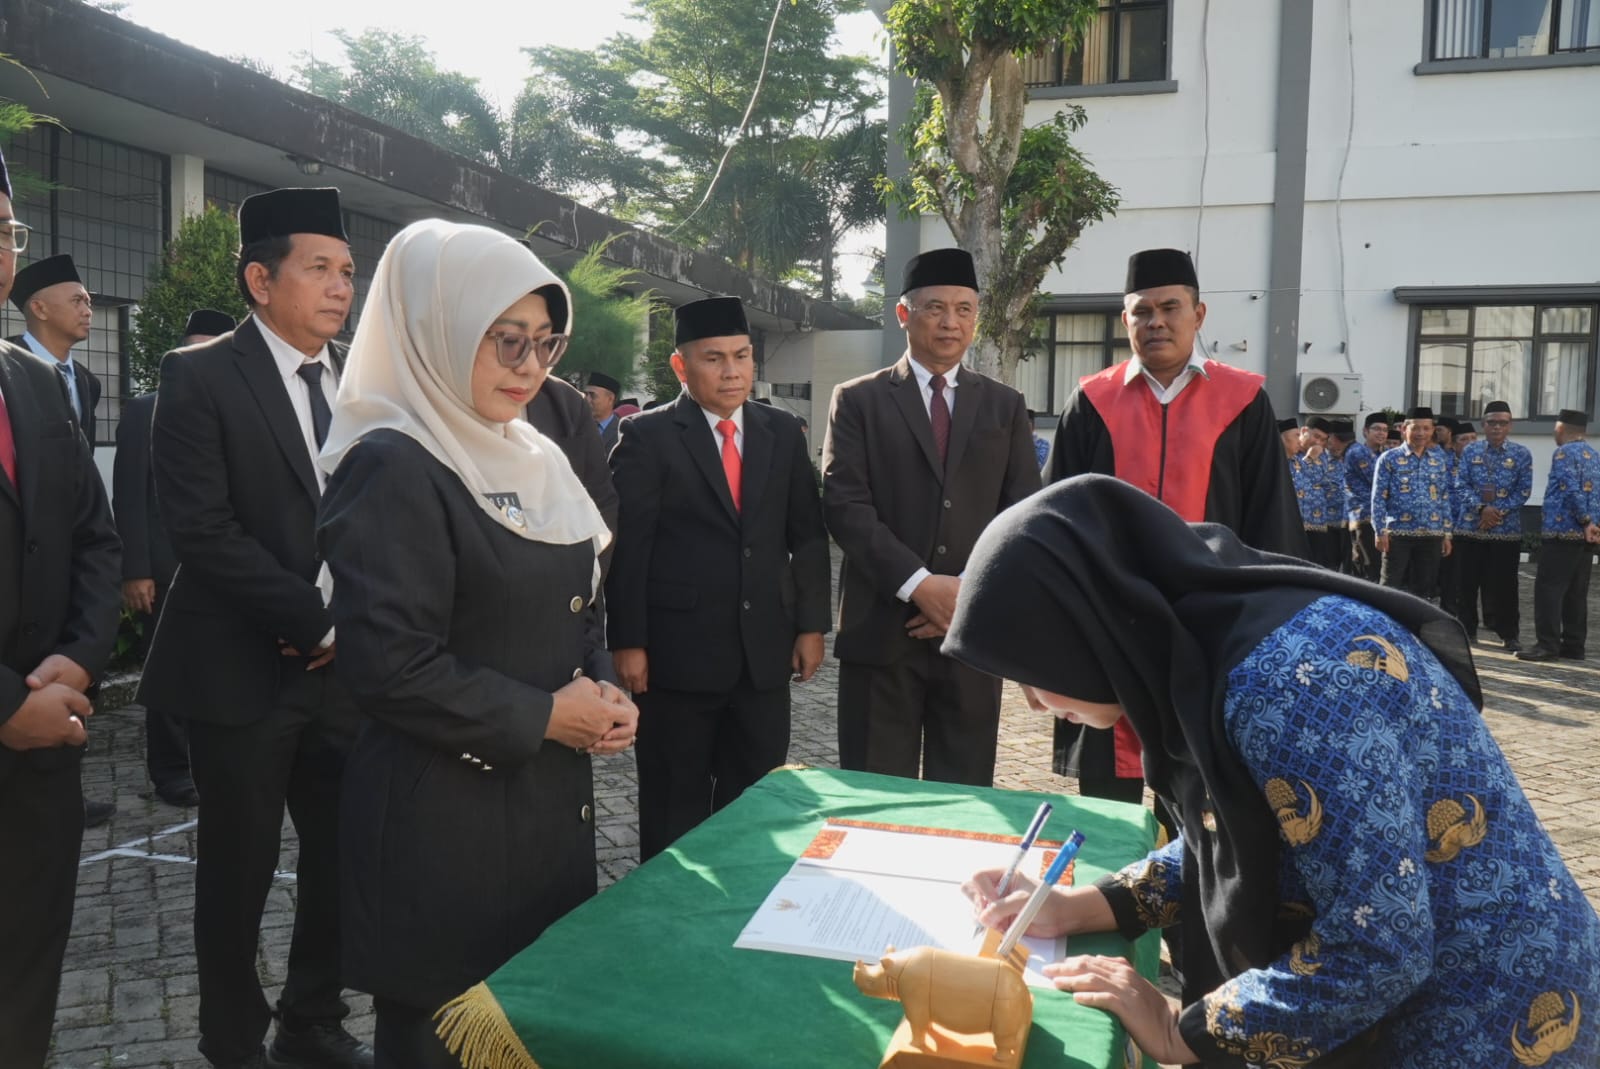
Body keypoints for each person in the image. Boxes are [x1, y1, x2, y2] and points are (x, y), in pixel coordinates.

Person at [949, 475, 1600, 1069]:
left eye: (1031, 667)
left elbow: (1378, 949)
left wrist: (1183, 1031)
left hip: (1488, 1022)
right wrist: (1088, 905)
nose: (1033, 703)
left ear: (1082, 629)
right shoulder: (1215, 645)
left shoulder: (1284, 686)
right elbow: (1252, 830)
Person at [315, 220, 634, 1066]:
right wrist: (545, 715)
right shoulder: (393, 463)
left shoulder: (534, 453)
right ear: (438, 330)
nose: (530, 366)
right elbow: (388, 664)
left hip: (543, 814)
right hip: (443, 832)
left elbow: (577, 605)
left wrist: (600, 684)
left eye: (545, 342)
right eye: (505, 339)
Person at [140, 188, 372, 1069]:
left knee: (342, 853)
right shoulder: (198, 376)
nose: (340, 287)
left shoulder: (366, 381)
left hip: (343, 675)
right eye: (319, 268)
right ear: (260, 279)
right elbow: (202, 529)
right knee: (237, 871)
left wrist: (351, 626)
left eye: (347, 271)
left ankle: (311, 1017)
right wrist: (311, 618)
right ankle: (232, 1040)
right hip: (239, 670)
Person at [1044, 247, 1303, 806]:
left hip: (1212, 624)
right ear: (1125, 320)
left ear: (1198, 314)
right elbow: (1054, 522)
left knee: (1203, 794)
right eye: (1142, 311)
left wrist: (1268, 627)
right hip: (1111, 624)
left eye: (1170, 308)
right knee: (1107, 797)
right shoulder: (1091, 401)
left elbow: (1271, 522)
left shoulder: (1243, 401)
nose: (1156, 322)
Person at [608, 296, 830, 860]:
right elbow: (629, 548)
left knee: (756, 805)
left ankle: (746, 901)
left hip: (763, 659)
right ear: (681, 366)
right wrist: (628, 641)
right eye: (714, 358)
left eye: (742, 356)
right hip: (676, 659)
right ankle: (671, 903)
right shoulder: (647, 436)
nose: (732, 371)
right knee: (673, 806)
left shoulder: (782, 431)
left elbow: (807, 535)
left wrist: (811, 626)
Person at [822, 248, 1040, 786]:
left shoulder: (1005, 405)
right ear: (904, 314)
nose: (950, 322)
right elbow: (845, 505)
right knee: (875, 798)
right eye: (936, 308)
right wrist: (920, 585)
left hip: (970, 638)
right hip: (881, 632)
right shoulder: (858, 400)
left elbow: (1022, 514)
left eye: (964, 310)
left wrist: (965, 591)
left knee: (964, 798)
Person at [0, 147, 123, 1069]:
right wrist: (7, 703)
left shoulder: (33, 381)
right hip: (20, 713)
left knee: (25, 972)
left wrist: (80, 656)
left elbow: (93, 538)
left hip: (44, 752)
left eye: (4, 230)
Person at [113, 308, 236, 809]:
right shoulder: (144, 409)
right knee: (168, 673)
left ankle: (209, 762)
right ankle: (169, 770)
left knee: (217, 671)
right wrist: (136, 570)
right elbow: (128, 494)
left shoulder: (238, 409)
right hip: (164, 570)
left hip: (224, 570)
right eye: (193, 350)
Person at [1519, 409, 1600, 663]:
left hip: (1562, 531)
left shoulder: (1563, 453)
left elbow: (1570, 488)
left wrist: (1584, 520)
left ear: (1561, 429)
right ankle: (1574, 645)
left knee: (1549, 590)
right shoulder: (1594, 455)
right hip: (1586, 536)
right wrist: (1593, 525)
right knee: (1576, 592)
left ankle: (1547, 645)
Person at [1453, 400, 1533, 650]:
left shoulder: (1521, 454)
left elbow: (1523, 491)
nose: (1497, 427)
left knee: (1505, 586)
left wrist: (1497, 513)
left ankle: (1509, 634)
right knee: (1466, 584)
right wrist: (1481, 508)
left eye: (1502, 423)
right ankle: (1467, 631)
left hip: (1505, 531)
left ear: (1510, 425)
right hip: (1470, 528)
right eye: (1492, 423)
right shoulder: (1470, 451)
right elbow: (1461, 485)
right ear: (1483, 424)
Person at [7, 253, 100, 449]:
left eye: (88, 302)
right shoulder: (6, 370)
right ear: (40, 309)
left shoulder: (88, 382)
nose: (87, 311)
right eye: (77, 301)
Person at [1372, 405, 1453, 599]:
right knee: (1389, 588)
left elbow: (1443, 497)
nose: (1421, 433)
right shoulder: (1389, 458)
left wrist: (1447, 533)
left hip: (1432, 533)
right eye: (1415, 428)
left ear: (1432, 431)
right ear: (1403, 429)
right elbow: (1378, 497)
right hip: (1397, 534)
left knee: (1424, 591)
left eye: (1426, 428)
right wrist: (1379, 530)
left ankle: (1418, 620)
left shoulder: (1438, 461)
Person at [1343, 412, 1388, 581]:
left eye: (1385, 430)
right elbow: (1379, 480)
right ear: (1365, 431)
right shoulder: (1358, 452)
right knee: (1366, 564)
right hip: (1363, 516)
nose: (1381, 433)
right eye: (1377, 429)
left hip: (1379, 518)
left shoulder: (1384, 454)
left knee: (1379, 565)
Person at [586, 369, 621, 455]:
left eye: (592, 395)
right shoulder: (577, 428)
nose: (587, 399)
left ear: (610, 399)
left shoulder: (622, 432)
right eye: (586, 394)